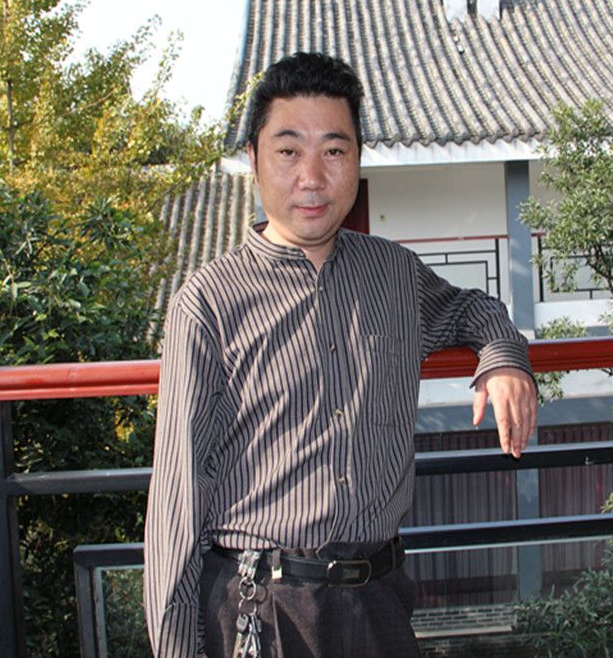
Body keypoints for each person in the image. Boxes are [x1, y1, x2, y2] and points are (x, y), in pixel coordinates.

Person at [144, 52, 537, 658]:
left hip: (379, 599)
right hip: (261, 609)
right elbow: (177, 499)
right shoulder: (208, 303)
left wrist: (505, 357)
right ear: (254, 158)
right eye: (288, 150)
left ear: (356, 158)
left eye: (333, 150)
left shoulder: (394, 274)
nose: (312, 176)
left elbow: (469, 309)